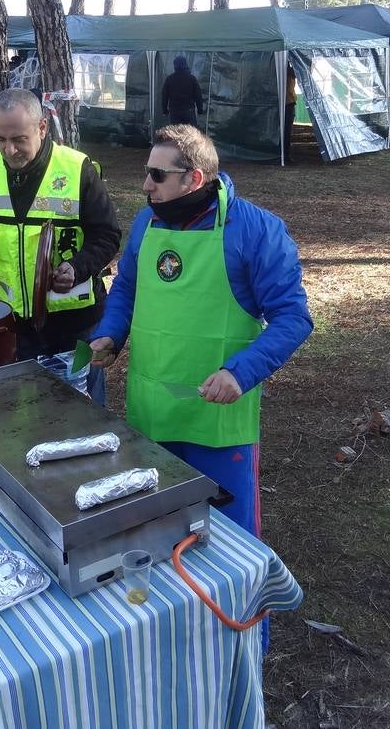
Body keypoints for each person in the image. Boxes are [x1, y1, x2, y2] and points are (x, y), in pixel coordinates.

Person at [88, 124, 312, 541]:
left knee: (231, 539)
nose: (145, 185)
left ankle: (244, 611)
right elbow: (127, 287)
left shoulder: (256, 230)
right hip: (151, 412)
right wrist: (112, 333)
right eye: (146, 171)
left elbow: (293, 318)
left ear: (194, 178)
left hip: (217, 419)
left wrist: (240, 373)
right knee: (160, 529)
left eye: (157, 175)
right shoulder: (146, 223)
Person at [0, 88, 122, 404]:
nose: (10, 150)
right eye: (0, 139)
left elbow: (107, 235)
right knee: (28, 410)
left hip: (76, 324)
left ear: (42, 127)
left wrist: (76, 268)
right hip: (17, 325)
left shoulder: (77, 170)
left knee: (85, 412)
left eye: (19, 139)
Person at [161, 55, 204, 127]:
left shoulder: (169, 79)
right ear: (185, 65)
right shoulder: (192, 78)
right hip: (189, 111)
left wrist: (164, 110)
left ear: (175, 66)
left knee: (176, 134)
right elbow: (198, 95)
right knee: (190, 134)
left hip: (175, 111)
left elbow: (164, 96)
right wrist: (200, 110)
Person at [283, 65, 298, 165]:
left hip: (288, 103)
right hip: (288, 103)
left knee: (286, 131)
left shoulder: (287, 72)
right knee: (287, 131)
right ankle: (286, 155)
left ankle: (285, 155)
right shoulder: (289, 72)